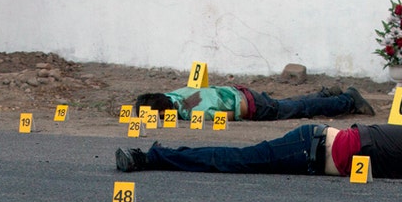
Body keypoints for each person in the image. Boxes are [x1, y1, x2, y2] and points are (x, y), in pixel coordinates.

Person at [114, 123, 402, 183]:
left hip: (312, 154)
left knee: (234, 161)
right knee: (231, 161)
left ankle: (155, 156)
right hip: (309, 148)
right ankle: (151, 156)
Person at [136, 85, 375, 122]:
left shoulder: (191, 111)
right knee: (290, 104)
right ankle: (326, 95)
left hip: (251, 106)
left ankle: (347, 101)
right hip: (240, 92)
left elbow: (226, 116)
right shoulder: (176, 94)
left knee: (299, 110)